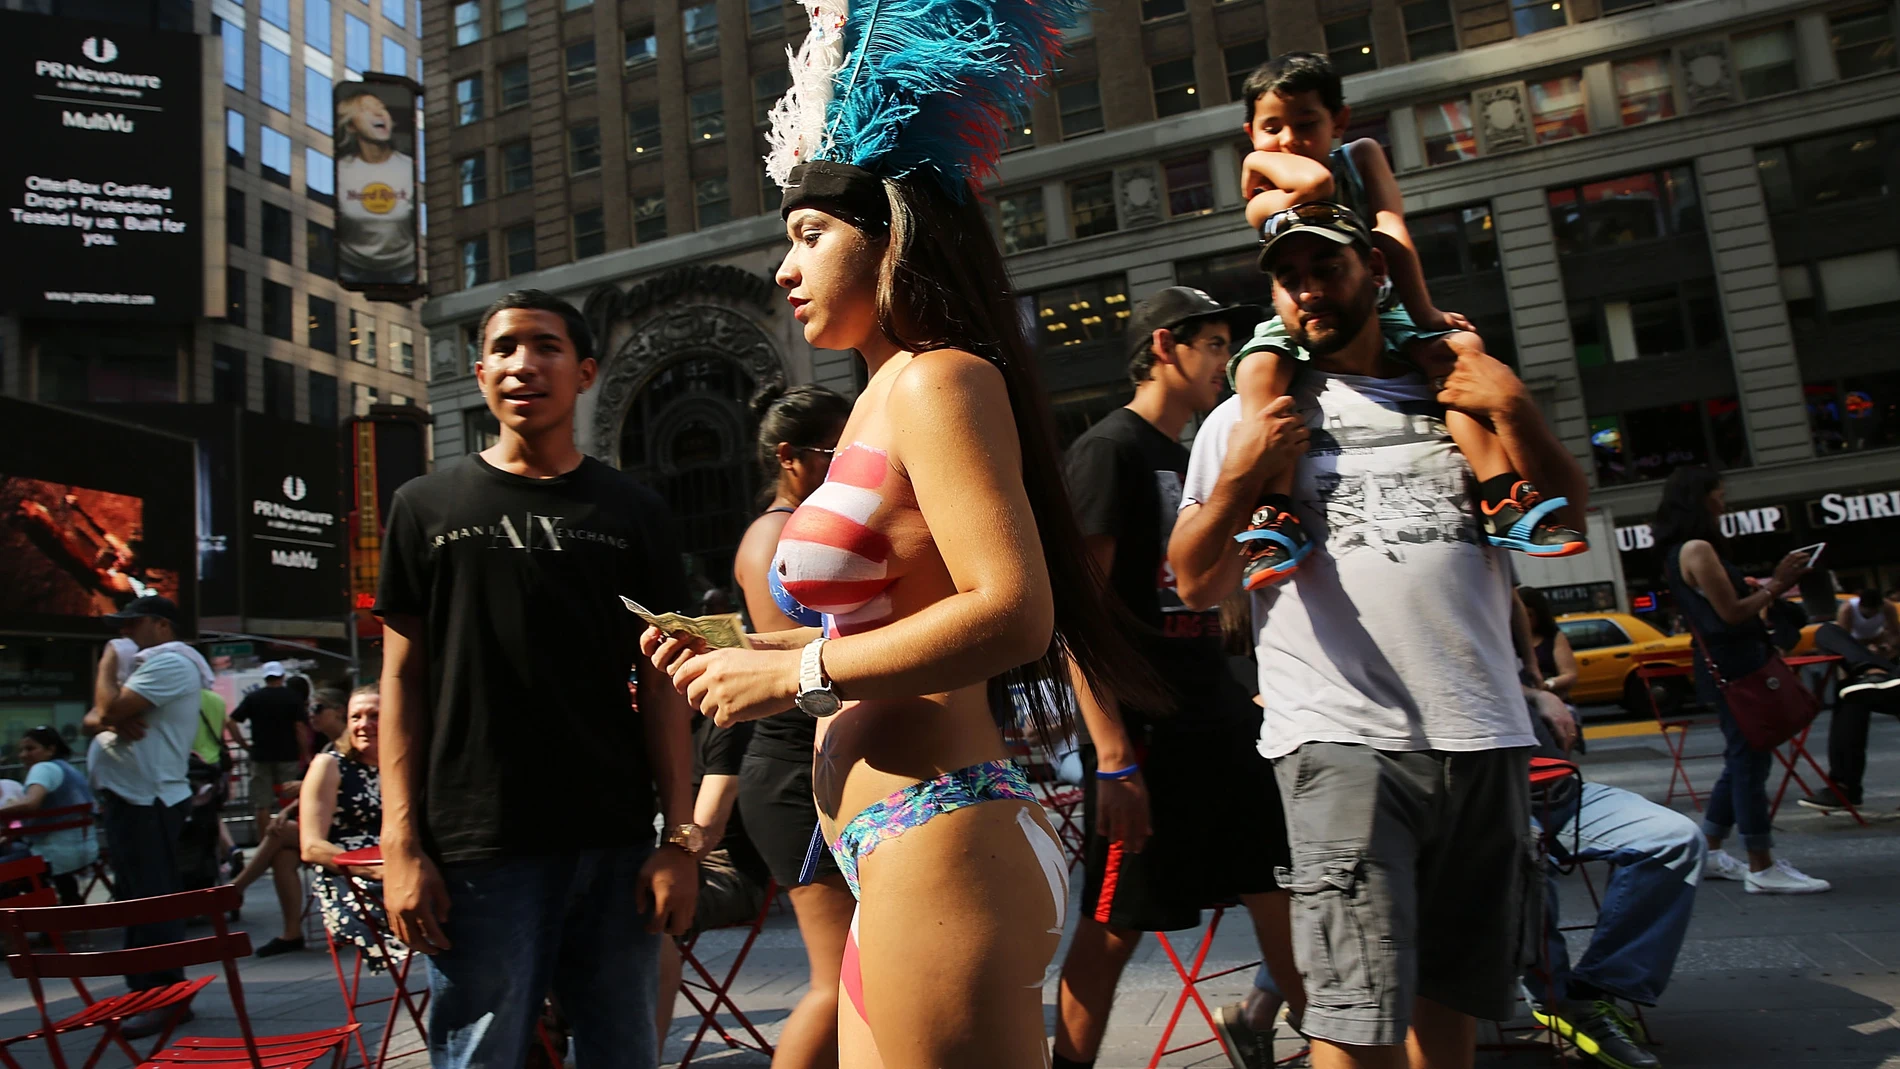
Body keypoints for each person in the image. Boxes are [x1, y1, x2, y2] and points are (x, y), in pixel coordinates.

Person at [644, 5, 1165, 1056]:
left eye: (807, 236)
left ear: (887, 237)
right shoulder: (882, 393)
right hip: (889, 849)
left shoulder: (940, 380)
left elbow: (1016, 615)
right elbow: (911, 603)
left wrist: (793, 680)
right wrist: (754, 650)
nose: (784, 271)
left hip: (945, 837)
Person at [1170, 203, 1591, 1069]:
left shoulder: (1456, 387)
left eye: (1325, 270)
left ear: (1376, 272)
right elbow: (1195, 580)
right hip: (1342, 741)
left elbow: (1563, 517)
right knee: (1355, 1016)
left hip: (1484, 735)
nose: (1307, 291)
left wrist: (1514, 403)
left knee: (1454, 1005)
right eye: (1289, 278)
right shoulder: (1253, 414)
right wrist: (1245, 475)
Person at [376, 289, 698, 1069]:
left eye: (548, 346)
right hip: (477, 849)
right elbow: (401, 682)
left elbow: (662, 686)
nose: (527, 364)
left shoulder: (635, 512)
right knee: (478, 1056)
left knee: (624, 1053)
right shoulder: (422, 507)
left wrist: (680, 840)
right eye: (508, 347)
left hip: (615, 842)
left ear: (585, 372)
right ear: (482, 373)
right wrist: (400, 844)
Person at [1052, 288, 1303, 1069]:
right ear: (1167, 345)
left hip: (1221, 717)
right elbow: (1080, 621)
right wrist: (1114, 755)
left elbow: (1208, 583)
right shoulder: (1108, 451)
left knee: (1280, 893)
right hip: (1147, 733)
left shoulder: (1191, 452)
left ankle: (1336, 1046)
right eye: (1217, 344)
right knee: (1113, 921)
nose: (1228, 363)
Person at [1223, 52, 1583, 590]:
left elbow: (1390, 232)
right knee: (1257, 376)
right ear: (1250, 131)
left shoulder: (1363, 155)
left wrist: (1426, 317)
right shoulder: (1262, 198)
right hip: (1296, 319)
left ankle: (1502, 492)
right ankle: (1272, 510)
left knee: (1455, 358)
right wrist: (1257, 165)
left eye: (1306, 124)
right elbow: (1316, 183)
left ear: (1339, 121)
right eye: (1272, 129)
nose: (1289, 141)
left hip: (1380, 304)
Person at [1509, 592, 1699, 1069]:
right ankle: (1555, 998)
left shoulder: (1502, 611)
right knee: (1526, 855)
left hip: (1557, 789)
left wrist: (1538, 689)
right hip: (1491, 798)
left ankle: (1597, 988)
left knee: (1675, 838)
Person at [728, 381, 857, 1069]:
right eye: (836, 451)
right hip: (793, 775)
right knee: (835, 982)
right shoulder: (778, 536)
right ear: (789, 457)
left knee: (857, 978)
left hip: (807, 770)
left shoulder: (796, 528)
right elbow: (799, 671)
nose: (852, 464)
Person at [1655, 466, 1829, 894]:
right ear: (1700, 499)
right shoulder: (1697, 548)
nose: (1724, 500)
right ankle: (1761, 863)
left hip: (1726, 664)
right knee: (1750, 762)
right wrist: (1778, 585)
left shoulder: (1686, 550)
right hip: (1735, 666)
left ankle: (1710, 848)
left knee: (1744, 758)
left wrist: (1759, 588)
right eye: (1718, 493)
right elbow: (1731, 613)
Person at [81, 594, 213, 1038]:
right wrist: (108, 717)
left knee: (152, 901)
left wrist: (106, 669)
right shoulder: (148, 667)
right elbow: (92, 720)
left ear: (161, 625)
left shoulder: (171, 662)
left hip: (147, 798)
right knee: (137, 900)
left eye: (131, 624)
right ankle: (145, 992)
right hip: (132, 798)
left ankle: (166, 996)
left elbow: (106, 710)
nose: (123, 635)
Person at [656, 713, 772, 1045]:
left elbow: (704, 833)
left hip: (727, 870)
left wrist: (668, 859)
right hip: (666, 859)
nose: (633, 685)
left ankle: (644, 1052)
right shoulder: (654, 727)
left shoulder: (725, 727)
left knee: (643, 920)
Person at [233, 686, 350, 955]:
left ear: (339, 711)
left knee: (279, 833)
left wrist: (305, 786)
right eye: (309, 709)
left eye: (317, 708)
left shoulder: (354, 742)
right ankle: (291, 933)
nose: (311, 714)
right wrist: (287, 810)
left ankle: (235, 889)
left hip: (348, 832)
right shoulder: (328, 746)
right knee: (283, 855)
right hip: (329, 828)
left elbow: (344, 785)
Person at [301, 686, 402, 972]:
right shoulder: (330, 765)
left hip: (398, 870)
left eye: (374, 716)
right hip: (350, 882)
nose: (363, 724)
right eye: (355, 716)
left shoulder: (402, 766)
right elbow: (311, 847)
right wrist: (377, 869)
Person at [0, 727, 100, 905]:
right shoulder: (69, 769)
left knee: (8, 865)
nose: (23, 755)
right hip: (86, 849)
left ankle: (27, 916)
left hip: (52, 854)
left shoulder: (43, 768)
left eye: (30, 749)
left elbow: (31, 804)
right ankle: (63, 905)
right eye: (21, 750)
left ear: (51, 749)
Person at [335, 83, 418, 286]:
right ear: (351, 126)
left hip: (404, 268)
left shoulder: (408, 167)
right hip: (351, 268)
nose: (379, 114)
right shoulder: (341, 171)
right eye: (365, 110)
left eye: (381, 107)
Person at [231, 662, 310, 841]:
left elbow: (231, 721)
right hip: (288, 755)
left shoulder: (253, 697)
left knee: (262, 804)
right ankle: (294, 837)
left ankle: (265, 843)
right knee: (292, 800)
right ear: (282, 676)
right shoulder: (292, 697)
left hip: (260, 756)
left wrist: (244, 745)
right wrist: (305, 753)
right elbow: (300, 727)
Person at [1520, 585, 1581, 700]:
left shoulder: (1553, 637)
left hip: (1554, 699)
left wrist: (1548, 684)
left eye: (1529, 615)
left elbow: (1570, 674)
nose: (1525, 620)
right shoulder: (1509, 640)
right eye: (1520, 615)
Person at [1837, 588, 1899, 658]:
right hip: (1856, 641)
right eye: (1870, 613)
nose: (1873, 615)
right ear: (1860, 606)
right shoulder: (1847, 610)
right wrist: (1863, 649)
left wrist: (1889, 646)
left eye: (1877, 612)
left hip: (1879, 638)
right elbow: (1843, 638)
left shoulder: (1888, 607)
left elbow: (1895, 632)